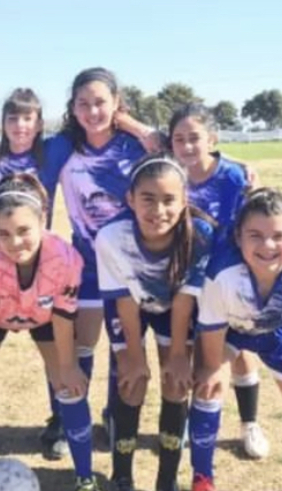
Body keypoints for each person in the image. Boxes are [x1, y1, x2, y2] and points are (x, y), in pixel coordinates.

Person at [0, 173, 98, 491]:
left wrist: (68, 368)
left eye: (24, 231)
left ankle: (85, 477)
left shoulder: (67, 259)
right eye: (3, 234)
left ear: (43, 220)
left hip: (43, 317)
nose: (14, 243)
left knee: (70, 386)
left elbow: (64, 317)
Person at [189, 188, 282, 491]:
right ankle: (202, 478)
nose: (268, 245)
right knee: (207, 386)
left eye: (279, 236)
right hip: (229, 331)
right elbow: (212, 326)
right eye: (255, 235)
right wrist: (213, 368)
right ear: (238, 237)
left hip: (275, 333)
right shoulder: (221, 271)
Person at [95, 154, 214, 491]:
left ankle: (167, 479)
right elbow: (124, 300)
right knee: (131, 382)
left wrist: (178, 353)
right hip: (130, 305)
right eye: (147, 199)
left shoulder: (199, 235)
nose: (158, 210)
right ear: (130, 199)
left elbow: (184, 299)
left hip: (175, 308)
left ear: (184, 200)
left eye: (169, 200)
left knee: (176, 382)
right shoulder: (111, 236)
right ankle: (122, 477)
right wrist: (133, 354)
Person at [47, 67, 147, 459]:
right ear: (72, 108)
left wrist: (132, 124)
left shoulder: (134, 146)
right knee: (79, 346)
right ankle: (69, 419)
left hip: (130, 268)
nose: (92, 111)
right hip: (84, 266)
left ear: (116, 104)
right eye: (83, 104)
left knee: (123, 345)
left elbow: (186, 151)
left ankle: (115, 414)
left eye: (101, 102)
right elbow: (20, 162)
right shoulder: (61, 147)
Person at [169, 102, 269, 458]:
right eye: (179, 139)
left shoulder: (234, 176)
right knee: (197, 351)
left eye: (194, 137)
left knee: (239, 351)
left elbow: (256, 220)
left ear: (212, 138)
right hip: (188, 278)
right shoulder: (172, 175)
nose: (187, 146)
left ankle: (249, 424)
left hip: (230, 277)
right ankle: (186, 420)